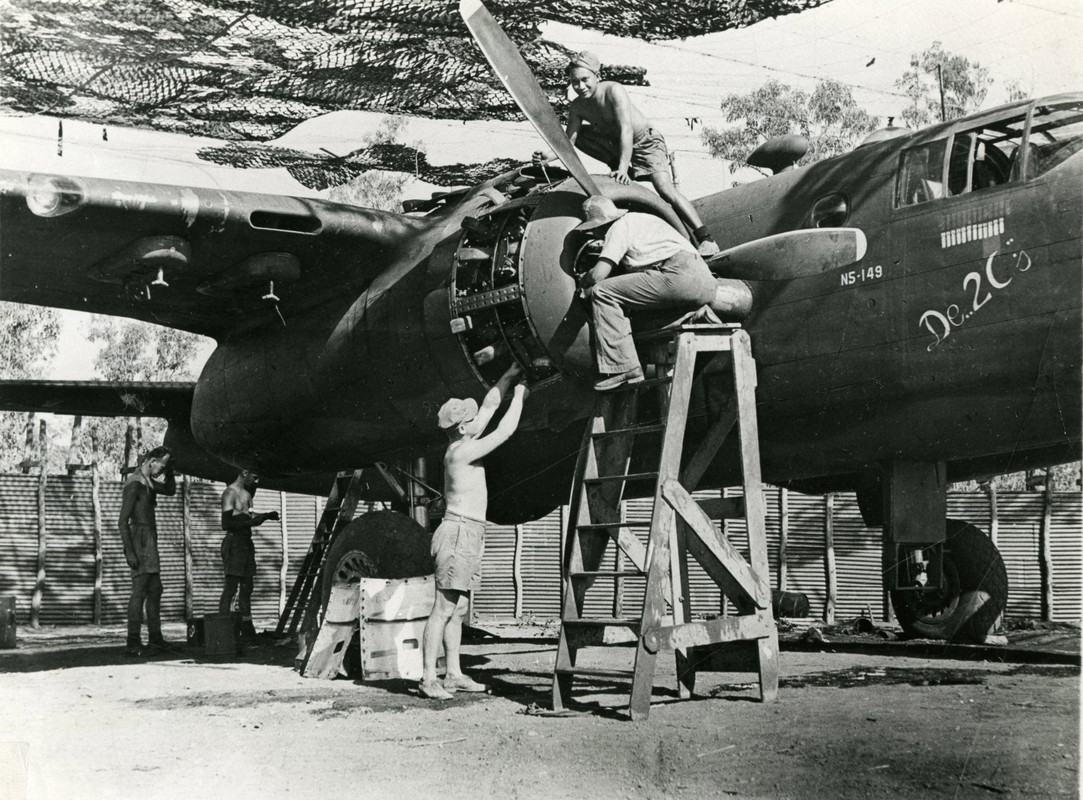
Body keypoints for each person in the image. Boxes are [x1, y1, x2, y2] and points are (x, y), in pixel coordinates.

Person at [537, 50, 719, 257]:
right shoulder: (577, 106)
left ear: (598, 75)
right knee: (582, 134)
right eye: (575, 82)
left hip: (645, 142)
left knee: (664, 188)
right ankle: (618, 164)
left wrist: (622, 169)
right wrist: (548, 155)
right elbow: (569, 141)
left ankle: (706, 238)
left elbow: (626, 129)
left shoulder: (614, 91)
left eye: (585, 79)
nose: (580, 86)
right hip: (618, 146)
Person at [420, 363, 528, 700]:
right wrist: (522, 396)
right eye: (468, 415)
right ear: (463, 427)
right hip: (458, 534)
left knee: (459, 609)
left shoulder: (463, 437)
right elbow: (505, 432)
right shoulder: (463, 452)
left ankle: (453, 673)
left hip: (469, 532)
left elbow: (490, 406)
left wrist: (511, 374)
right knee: (443, 607)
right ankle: (428, 679)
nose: (474, 415)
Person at [576, 195, 718, 391]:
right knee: (637, 301)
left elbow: (599, 275)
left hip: (678, 275)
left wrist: (584, 280)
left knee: (603, 292)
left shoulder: (617, 228)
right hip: (705, 282)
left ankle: (623, 368)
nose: (594, 233)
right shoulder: (642, 219)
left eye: (592, 228)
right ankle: (696, 315)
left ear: (600, 224)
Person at [118, 446, 176, 656]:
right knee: (140, 589)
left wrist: (170, 471)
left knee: (155, 589)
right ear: (151, 461)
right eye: (162, 465)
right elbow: (122, 521)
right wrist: (129, 552)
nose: (162, 470)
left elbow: (170, 490)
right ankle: (132, 642)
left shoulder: (148, 482)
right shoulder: (135, 483)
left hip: (149, 538)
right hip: (139, 539)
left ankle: (156, 639)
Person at [219, 470, 279, 640]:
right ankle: (223, 631)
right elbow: (225, 523)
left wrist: (266, 516)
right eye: (256, 477)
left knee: (247, 588)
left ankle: (247, 629)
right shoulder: (230, 493)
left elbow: (249, 517)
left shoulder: (247, 493)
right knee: (231, 587)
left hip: (246, 544)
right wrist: (251, 522)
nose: (257, 481)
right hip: (234, 543)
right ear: (244, 473)